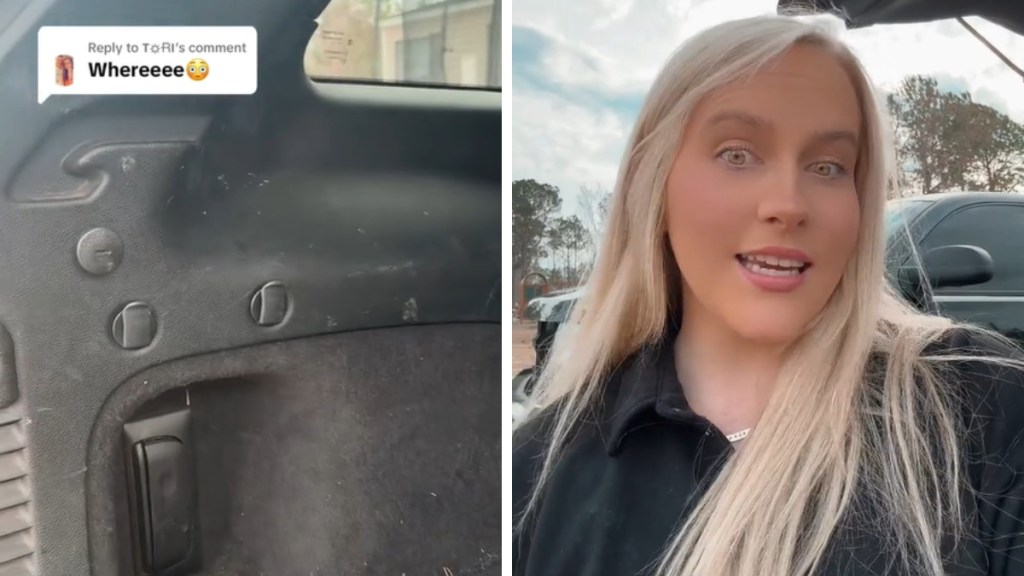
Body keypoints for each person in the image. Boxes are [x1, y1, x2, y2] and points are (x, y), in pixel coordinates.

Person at [512, 14, 1024, 576]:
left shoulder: (981, 407)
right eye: (737, 154)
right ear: (649, 183)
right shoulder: (537, 469)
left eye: (828, 166)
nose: (788, 202)